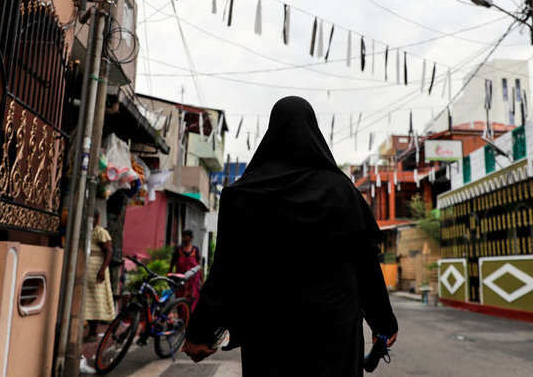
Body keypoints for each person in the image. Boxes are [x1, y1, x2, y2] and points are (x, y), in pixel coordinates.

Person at [182, 96, 398, 376]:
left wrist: (201, 331)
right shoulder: (343, 193)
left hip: (270, 335)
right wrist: (384, 322)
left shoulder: (243, 195)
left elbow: (227, 270)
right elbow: (365, 265)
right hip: (335, 335)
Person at [84, 210, 116, 341]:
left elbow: (109, 251)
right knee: (87, 301)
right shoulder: (86, 231)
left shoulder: (100, 232)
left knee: (96, 300)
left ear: (97, 218)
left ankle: (93, 332)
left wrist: (102, 270)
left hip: (97, 270)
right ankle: (91, 332)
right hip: (87, 270)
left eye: (95, 217)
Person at [170, 229, 203, 310]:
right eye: (183, 237)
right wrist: (170, 276)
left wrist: (202, 279)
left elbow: (199, 266)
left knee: (193, 300)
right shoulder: (178, 250)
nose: (184, 239)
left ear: (191, 238)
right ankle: (182, 320)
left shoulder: (195, 250)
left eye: (186, 237)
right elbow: (172, 264)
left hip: (193, 281)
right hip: (181, 280)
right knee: (180, 300)